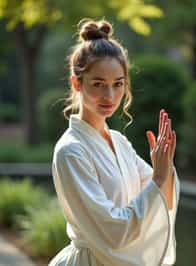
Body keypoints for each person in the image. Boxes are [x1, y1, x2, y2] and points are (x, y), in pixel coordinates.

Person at [49, 18, 180, 266]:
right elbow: (114, 232)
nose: (110, 96)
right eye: (98, 84)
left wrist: (164, 168)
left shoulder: (119, 142)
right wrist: (160, 178)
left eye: (118, 84)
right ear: (77, 83)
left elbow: (162, 201)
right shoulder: (71, 151)